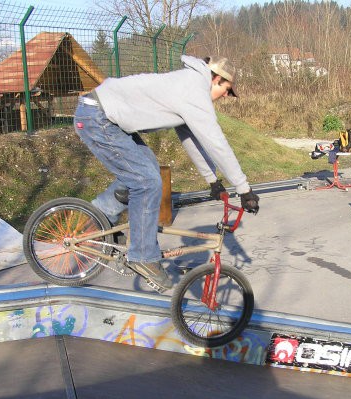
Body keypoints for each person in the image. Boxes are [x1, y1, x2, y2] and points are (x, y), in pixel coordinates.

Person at [73, 55, 259, 292]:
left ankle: (101, 216)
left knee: (147, 172)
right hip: (98, 118)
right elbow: (216, 142)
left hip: (106, 117)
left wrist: (212, 179)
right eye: (227, 90)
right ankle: (142, 255)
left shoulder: (189, 85)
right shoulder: (194, 90)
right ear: (216, 79)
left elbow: (192, 139)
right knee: (147, 181)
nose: (226, 96)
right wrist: (244, 189)